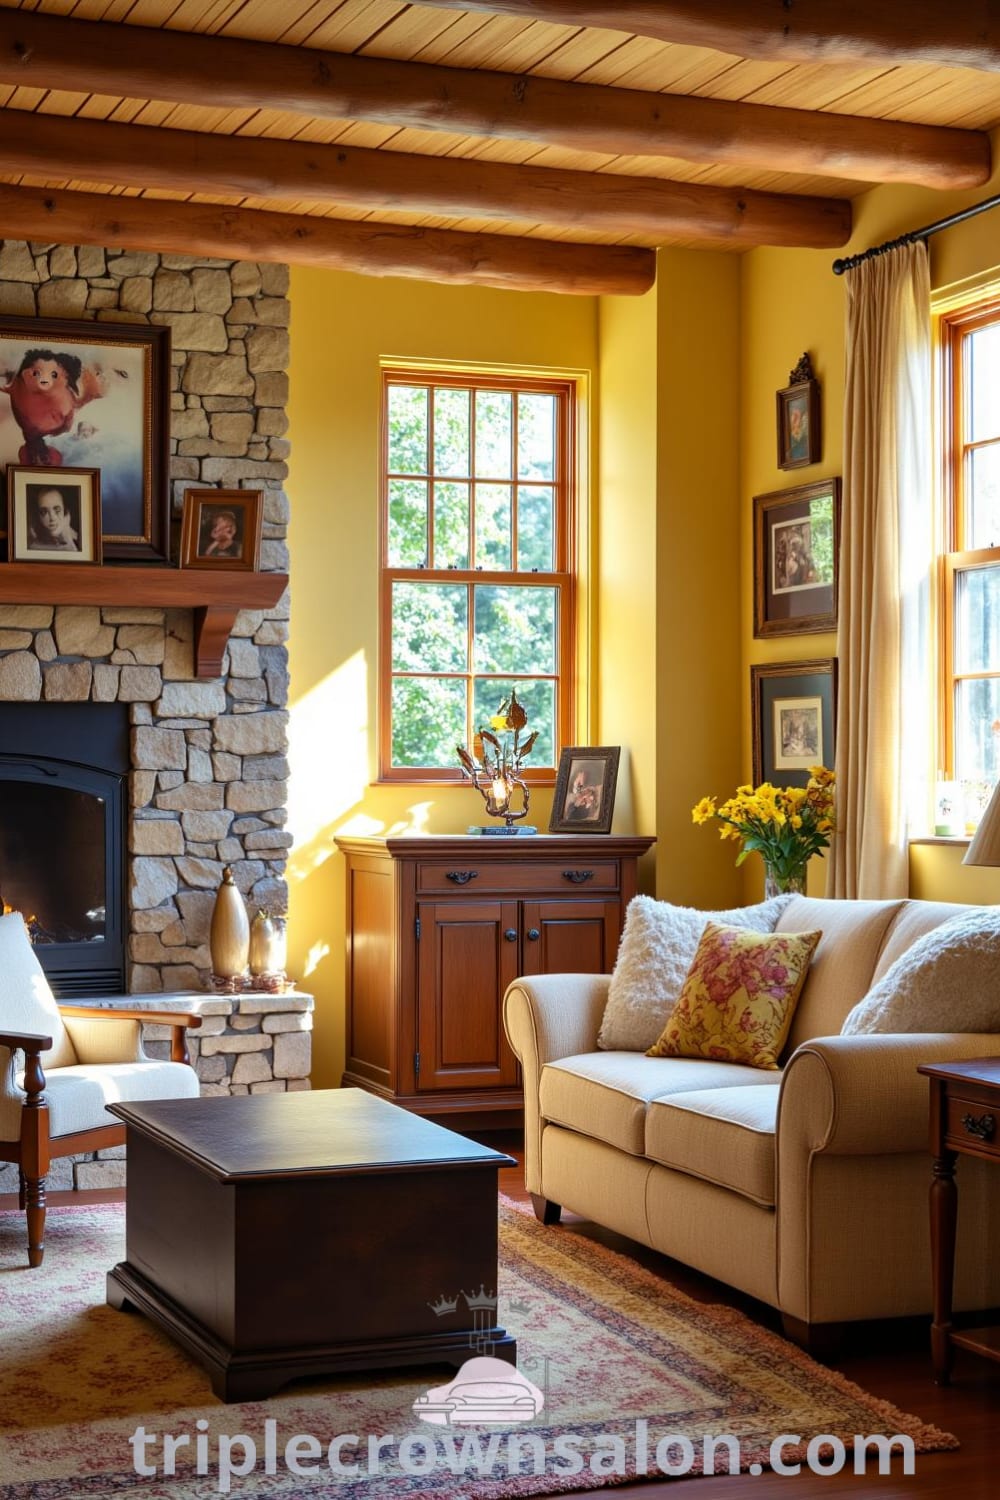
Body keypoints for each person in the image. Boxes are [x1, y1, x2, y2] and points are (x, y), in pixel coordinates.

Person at [27, 486, 79, 551]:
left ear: (65, 512)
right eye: (44, 512)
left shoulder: (77, 539)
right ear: (39, 516)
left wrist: (67, 536)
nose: (52, 518)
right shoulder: (34, 547)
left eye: (57, 510)